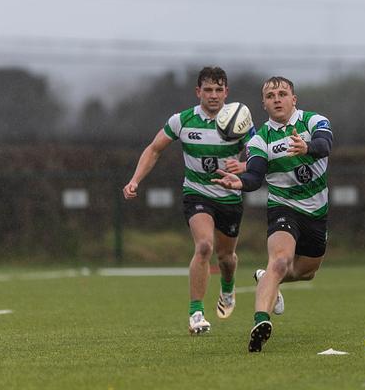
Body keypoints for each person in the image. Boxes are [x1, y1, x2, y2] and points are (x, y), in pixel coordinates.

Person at [122, 66, 255, 335]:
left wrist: (242, 166)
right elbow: (154, 149)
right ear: (198, 92)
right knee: (204, 246)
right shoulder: (181, 121)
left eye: (219, 90)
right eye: (208, 89)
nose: (213, 95)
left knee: (226, 257)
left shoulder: (240, 122)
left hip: (229, 196)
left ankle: (227, 288)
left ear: (226, 92)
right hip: (197, 193)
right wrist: (135, 179)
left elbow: (257, 157)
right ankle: (196, 313)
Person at [212, 76, 333, 352]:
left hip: (316, 211)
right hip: (283, 207)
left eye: (282, 94)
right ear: (264, 104)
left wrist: (307, 147)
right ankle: (260, 322)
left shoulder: (314, 121)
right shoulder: (260, 139)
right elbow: (255, 175)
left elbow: (325, 145)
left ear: (294, 99)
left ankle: (265, 277)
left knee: (306, 272)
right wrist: (240, 182)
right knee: (279, 261)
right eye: (270, 96)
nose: (277, 99)